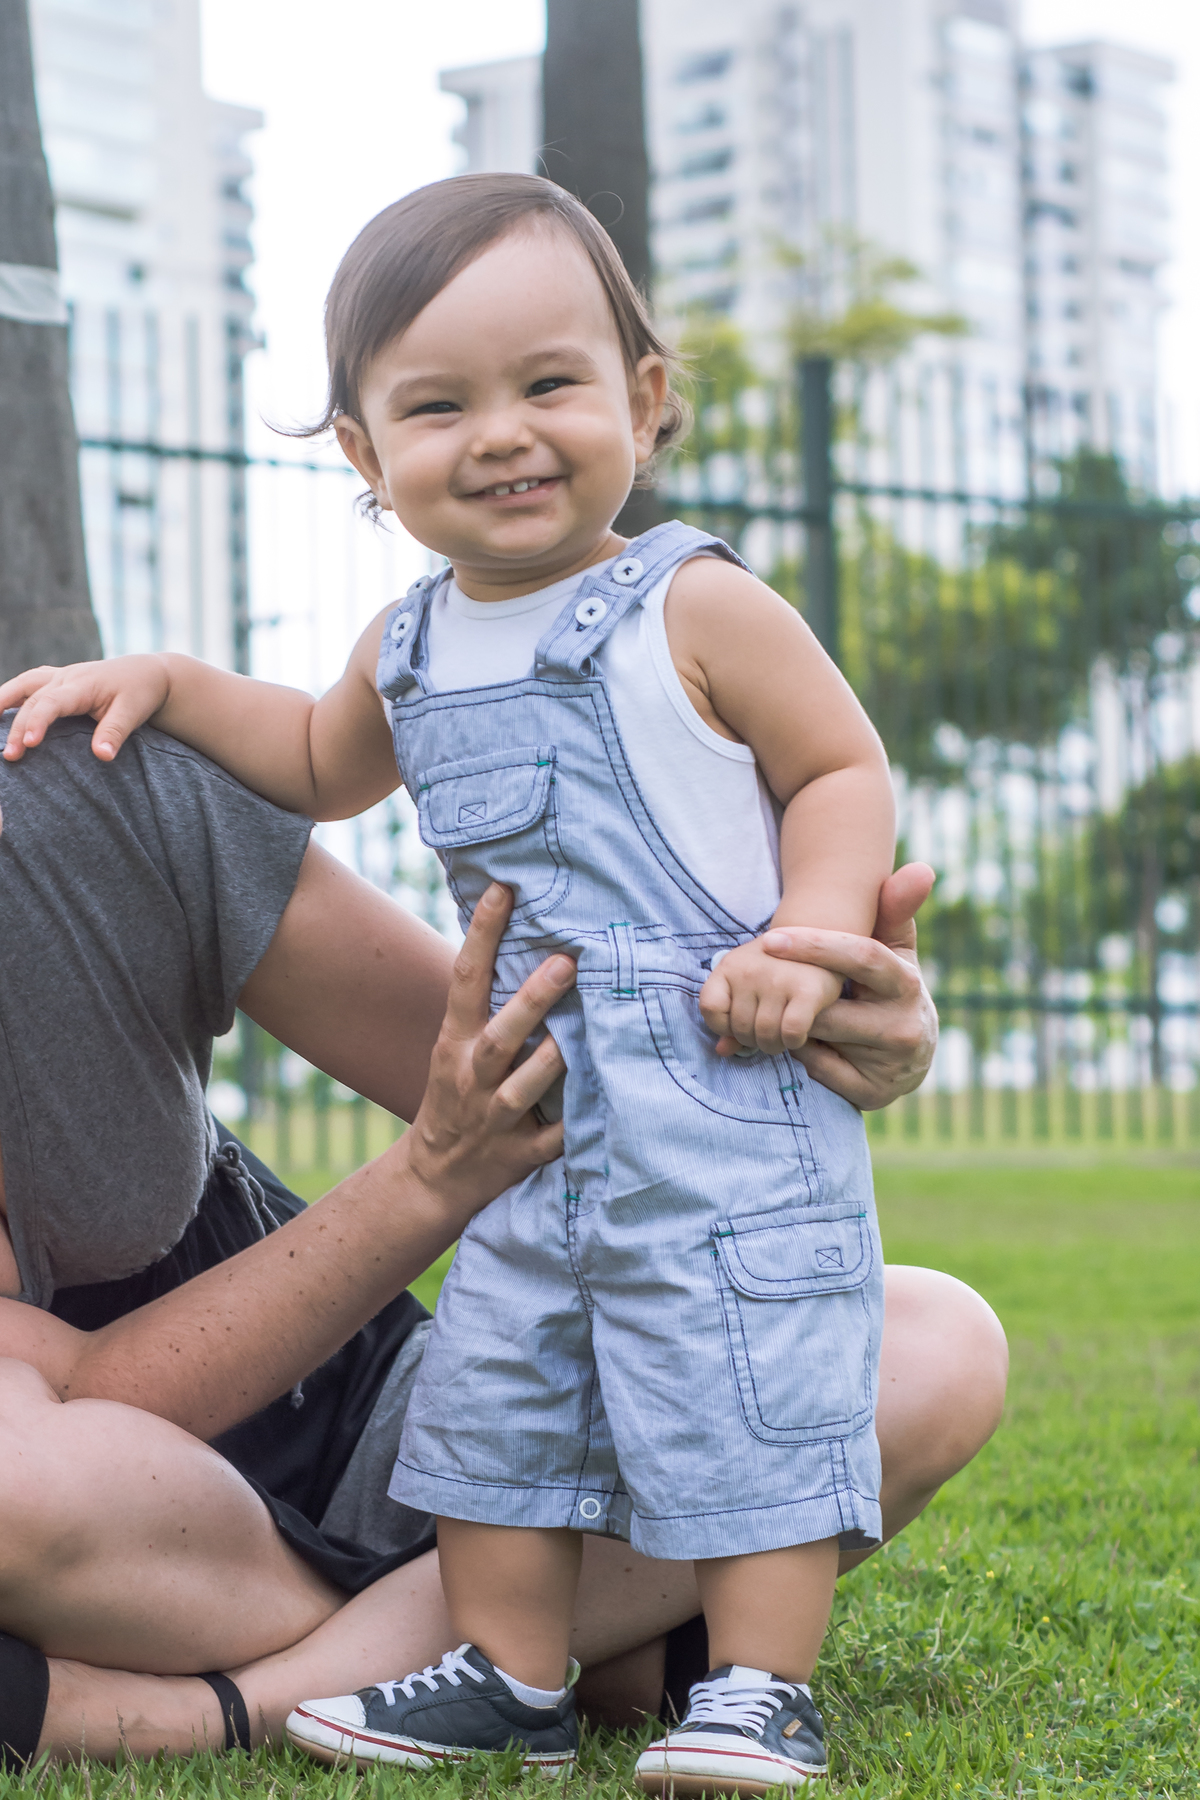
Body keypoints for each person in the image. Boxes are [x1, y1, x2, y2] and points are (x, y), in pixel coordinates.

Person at [0, 175, 1003, 1787]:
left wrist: (820, 960)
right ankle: (508, 1668)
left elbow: (834, 777)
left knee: (839, 1350)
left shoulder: (689, 602)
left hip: (632, 1151)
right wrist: (183, 682)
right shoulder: (407, 649)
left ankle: (687, 1680)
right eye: (438, 406)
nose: (502, 436)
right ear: (364, 457)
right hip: (184, 1437)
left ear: (644, 401)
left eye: (549, 385)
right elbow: (322, 759)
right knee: (478, 1406)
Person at [0, 708, 1002, 1767]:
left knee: (935, 1344)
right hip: (111, 1504)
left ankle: (223, 1707)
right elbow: (100, 1401)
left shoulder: (95, 790)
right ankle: (579, 1633)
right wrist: (429, 1181)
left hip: (427, 1435)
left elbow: (545, 1083)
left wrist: (817, 1031)